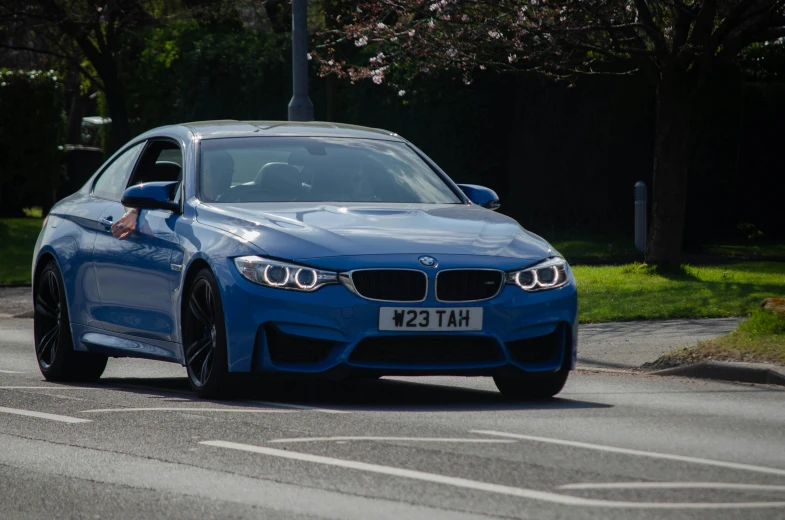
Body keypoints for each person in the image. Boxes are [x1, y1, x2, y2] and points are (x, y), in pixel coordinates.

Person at [112, 150, 235, 240]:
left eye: (228, 171)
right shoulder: (176, 196)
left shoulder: (238, 199)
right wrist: (133, 212)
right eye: (216, 170)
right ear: (202, 173)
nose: (223, 176)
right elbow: (137, 195)